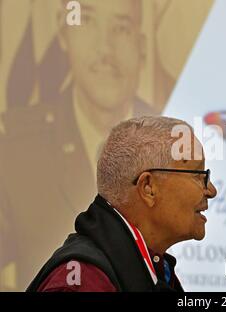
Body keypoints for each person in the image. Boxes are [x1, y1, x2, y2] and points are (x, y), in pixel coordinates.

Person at [0, 0, 158, 290]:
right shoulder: (16, 150)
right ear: (64, 35)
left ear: (142, 46)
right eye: (86, 21)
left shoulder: (174, 149)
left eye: (121, 28)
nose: (105, 50)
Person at [27, 116, 217, 292]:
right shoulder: (84, 280)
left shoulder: (155, 270)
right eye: (198, 175)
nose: (211, 190)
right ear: (148, 187)